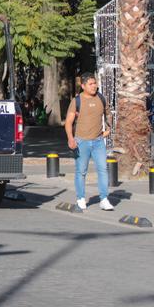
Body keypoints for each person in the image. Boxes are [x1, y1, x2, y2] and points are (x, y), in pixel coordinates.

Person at [64, 72, 115, 211]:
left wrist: (109, 128)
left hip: (98, 142)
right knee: (81, 171)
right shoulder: (77, 101)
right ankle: (81, 198)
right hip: (82, 142)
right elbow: (68, 122)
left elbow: (108, 114)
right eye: (91, 84)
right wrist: (70, 138)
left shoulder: (101, 99)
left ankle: (104, 199)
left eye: (95, 83)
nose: (94, 86)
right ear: (83, 85)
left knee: (103, 169)